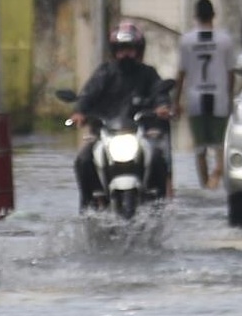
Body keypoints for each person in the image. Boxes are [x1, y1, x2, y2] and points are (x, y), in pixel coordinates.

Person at [67, 20, 172, 212]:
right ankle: (89, 203)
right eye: (122, 49)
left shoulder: (148, 74)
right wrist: (79, 113)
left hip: (139, 134)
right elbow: (88, 94)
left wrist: (162, 107)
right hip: (104, 135)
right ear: (114, 50)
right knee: (83, 160)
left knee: (158, 158)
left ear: (139, 51)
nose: (126, 54)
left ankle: (158, 205)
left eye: (130, 49)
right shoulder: (104, 73)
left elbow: (160, 93)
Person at [173, 0, 240, 190]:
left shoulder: (187, 41)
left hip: (195, 99)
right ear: (213, 15)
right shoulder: (224, 40)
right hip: (219, 98)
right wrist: (230, 97)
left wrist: (175, 101)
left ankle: (205, 186)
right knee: (221, 146)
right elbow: (230, 73)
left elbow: (181, 73)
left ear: (195, 16)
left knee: (200, 149)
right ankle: (216, 176)